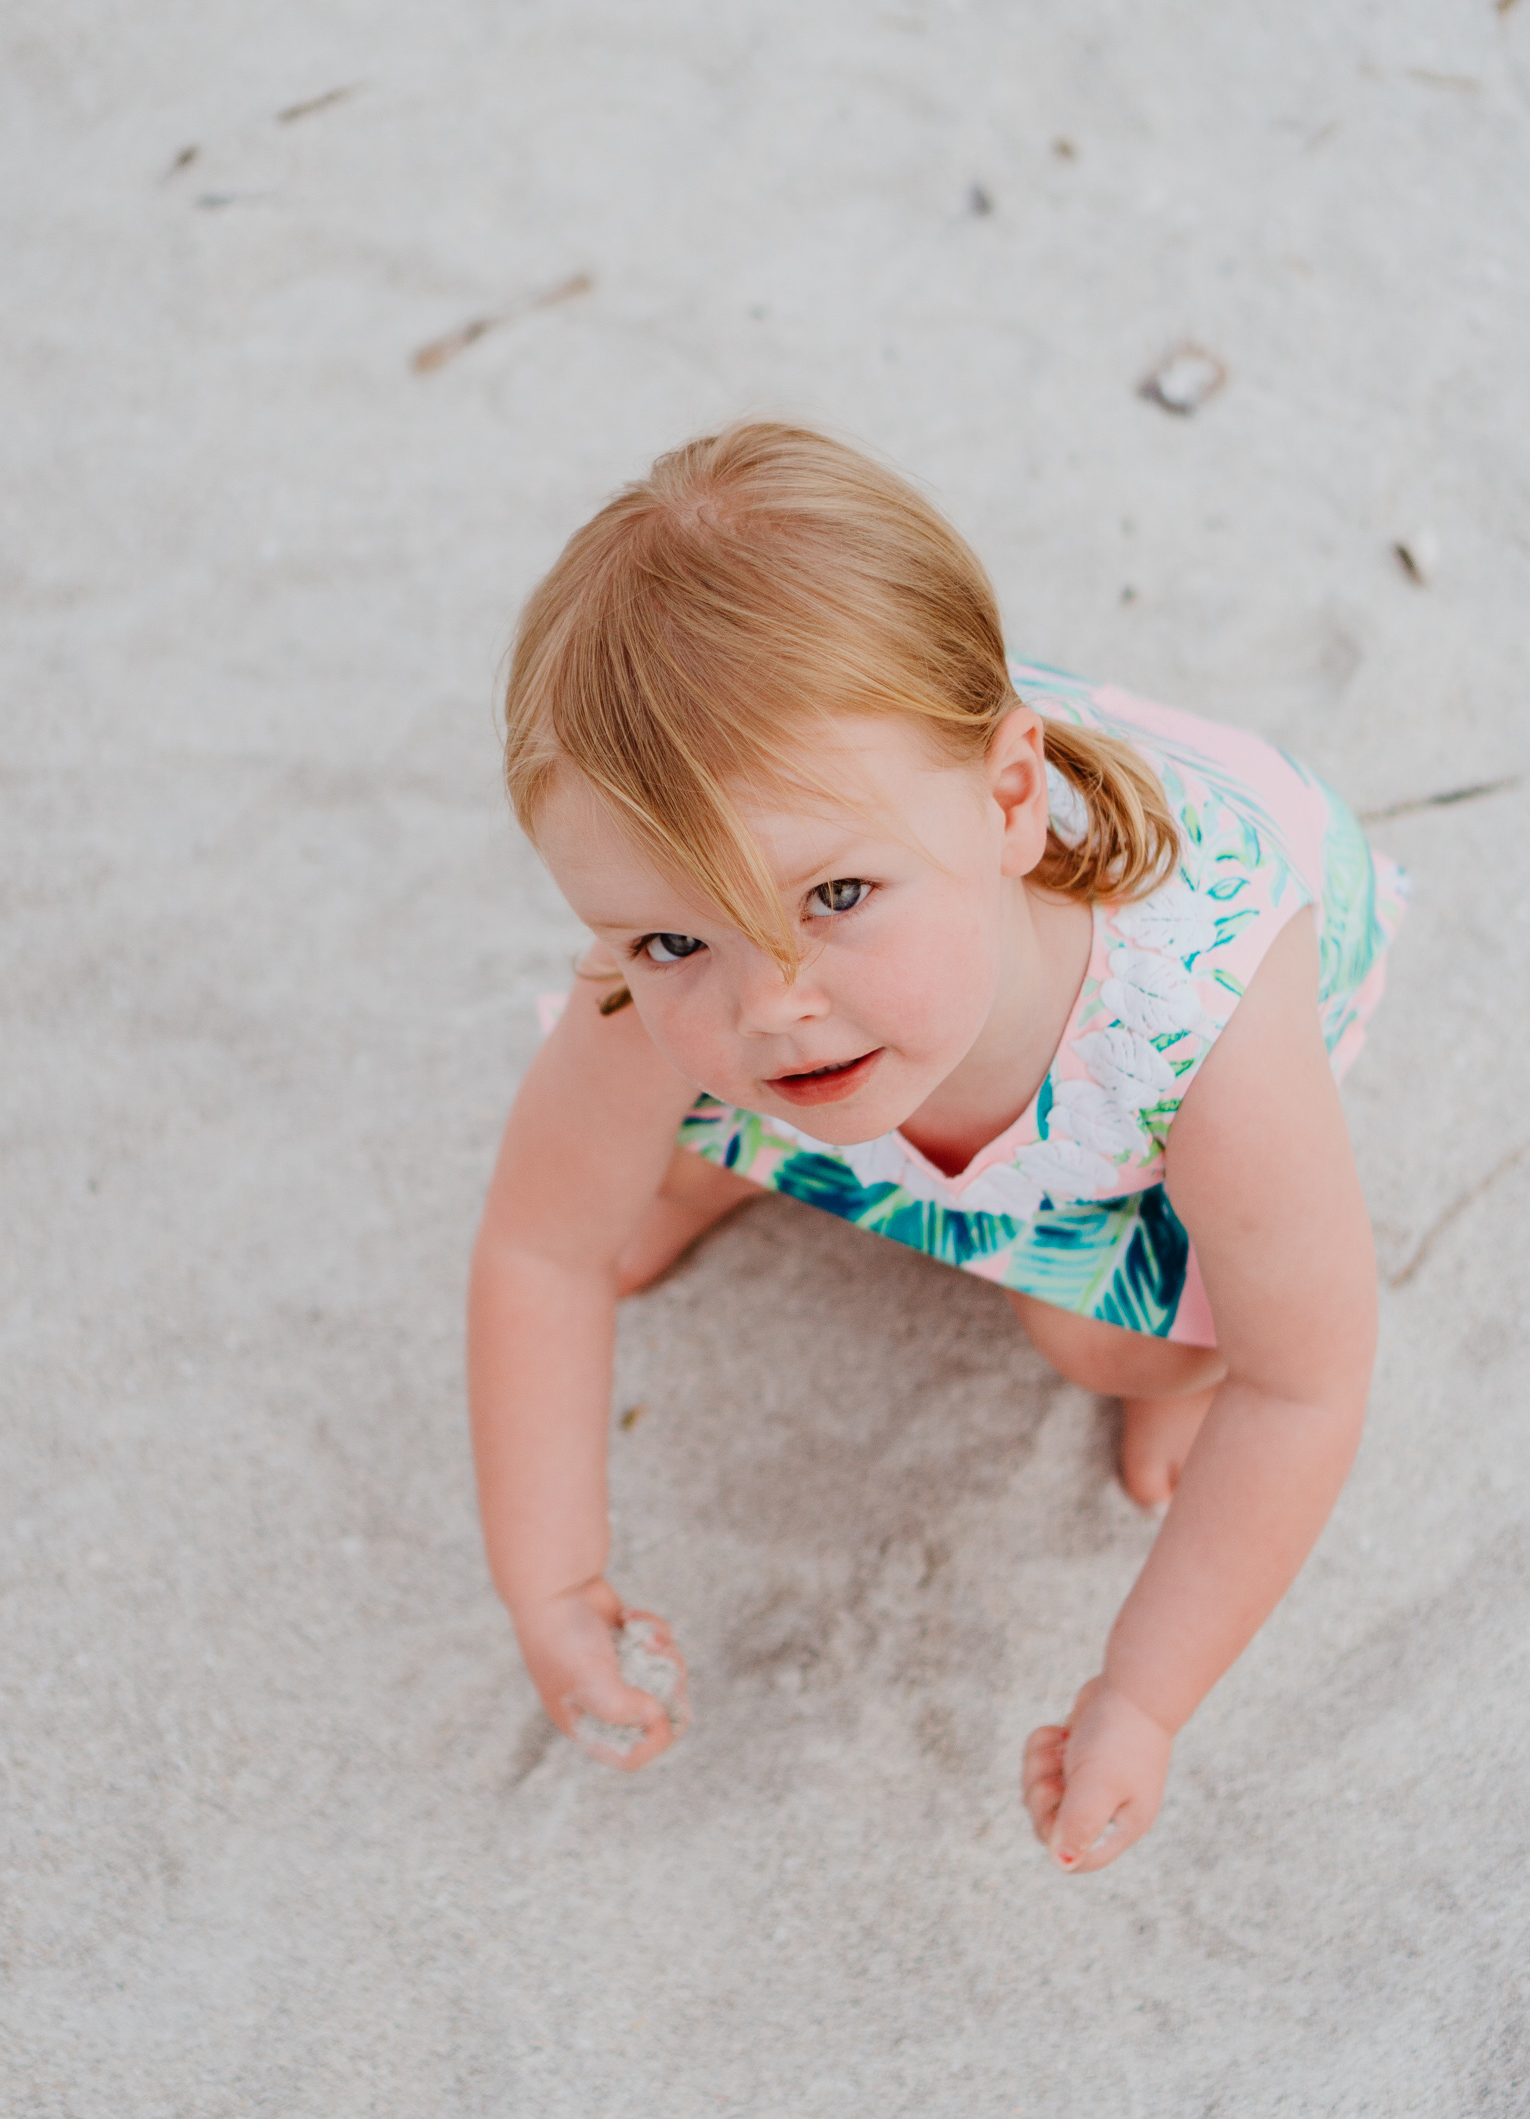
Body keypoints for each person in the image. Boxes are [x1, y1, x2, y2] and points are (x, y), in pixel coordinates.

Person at [468, 423, 1405, 1873]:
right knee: (683, 1087)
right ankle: (745, 1136)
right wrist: (550, 1580)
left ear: (1012, 800)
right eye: (668, 934)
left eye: (836, 894)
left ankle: (1165, 1359)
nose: (770, 999)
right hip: (923, 891)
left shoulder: (1204, 1033)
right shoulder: (710, 960)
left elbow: (1312, 1381)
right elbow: (541, 1244)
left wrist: (1141, 1699)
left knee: (1095, 1340)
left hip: (1128, 1048)